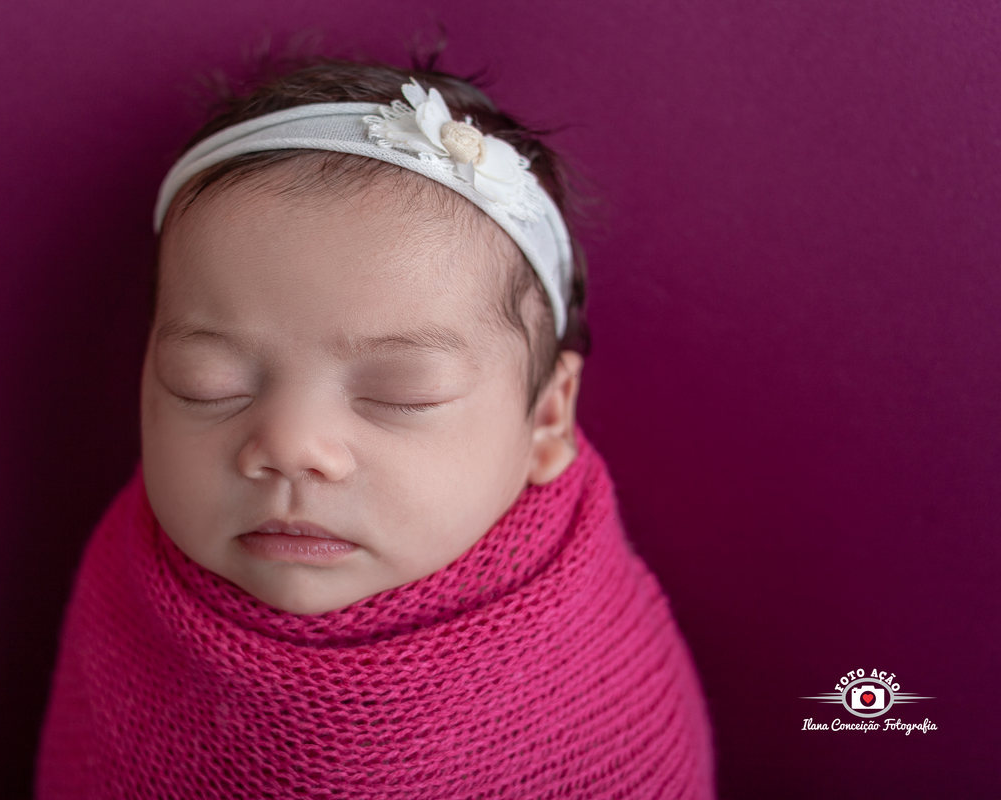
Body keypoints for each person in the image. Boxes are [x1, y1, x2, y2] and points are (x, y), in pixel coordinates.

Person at [37, 57, 714, 799]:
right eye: (209, 383)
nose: (291, 447)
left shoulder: (596, 686)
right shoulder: (131, 591)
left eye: (401, 394)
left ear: (548, 416)